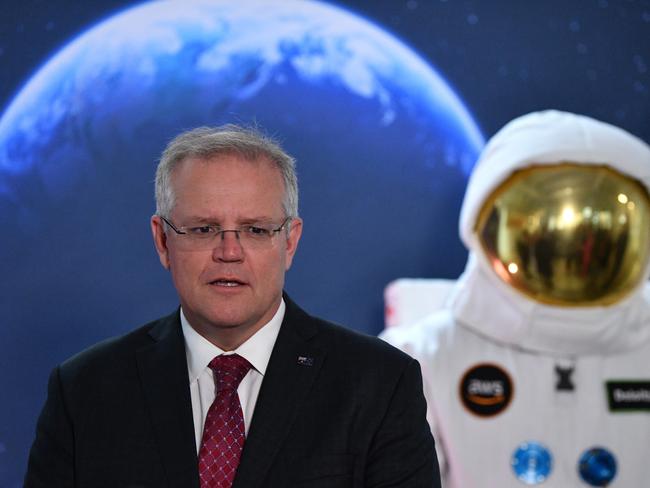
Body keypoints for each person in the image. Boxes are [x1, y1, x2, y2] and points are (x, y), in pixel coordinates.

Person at [24, 124, 440, 487]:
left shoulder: (379, 385)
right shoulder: (84, 392)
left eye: (255, 230)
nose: (229, 252)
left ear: (289, 242)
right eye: (204, 228)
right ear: (162, 240)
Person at [382, 110, 650, 487]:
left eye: (594, 234)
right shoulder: (421, 358)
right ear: (482, 225)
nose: (567, 257)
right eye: (547, 231)